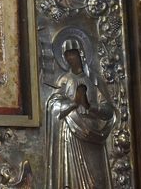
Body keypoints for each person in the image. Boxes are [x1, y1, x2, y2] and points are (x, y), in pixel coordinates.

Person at [45, 38, 114, 188]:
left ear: (81, 53)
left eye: (73, 53)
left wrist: (90, 106)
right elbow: (53, 106)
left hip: (94, 133)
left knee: (97, 181)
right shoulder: (64, 80)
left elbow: (108, 111)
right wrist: (73, 103)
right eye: (67, 55)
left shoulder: (94, 80)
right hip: (72, 133)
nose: (70, 58)